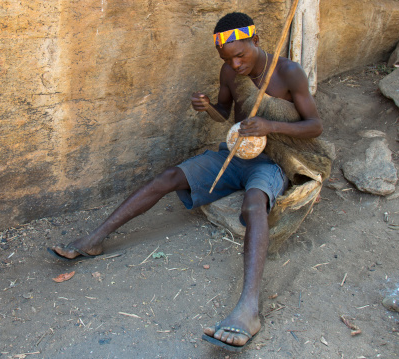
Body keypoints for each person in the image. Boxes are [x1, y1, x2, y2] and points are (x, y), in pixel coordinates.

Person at [49, 12, 323, 350]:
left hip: (275, 159)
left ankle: (248, 309)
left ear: (256, 40)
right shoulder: (229, 72)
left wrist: (271, 126)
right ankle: (94, 239)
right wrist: (207, 107)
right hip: (234, 153)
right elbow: (225, 113)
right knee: (170, 177)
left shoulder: (288, 73)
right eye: (228, 58)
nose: (236, 64)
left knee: (255, 205)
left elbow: (315, 126)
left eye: (241, 55)